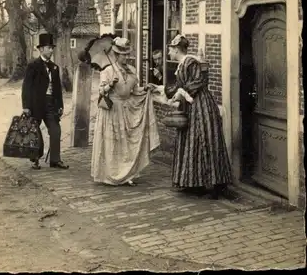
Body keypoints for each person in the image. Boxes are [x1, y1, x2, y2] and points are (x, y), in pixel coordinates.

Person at [164, 34, 232, 199]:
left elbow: (197, 81)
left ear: (176, 49)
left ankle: (218, 185)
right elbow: (180, 86)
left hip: (202, 106)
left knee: (207, 141)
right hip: (191, 107)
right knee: (192, 143)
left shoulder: (190, 62)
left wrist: (181, 93)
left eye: (170, 50)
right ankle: (196, 183)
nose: (168, 53)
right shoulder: (182, 65)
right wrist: (166, 90)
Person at [91, 37, 160, 186]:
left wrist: (145, 88)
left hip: (126, 110)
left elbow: (134, 91)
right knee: (113, 143)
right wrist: (111, 84)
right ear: (116, 55)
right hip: (111, 111)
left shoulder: (132, 71)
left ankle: (127, 173)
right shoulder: (108, 71)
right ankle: (111, 174)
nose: (126, 57)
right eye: (124, 55)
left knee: (126, 143)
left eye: (128, 54)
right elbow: (101, 91)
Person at [22, 33, 69, 170]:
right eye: (49, 47)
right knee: (34, 132)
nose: (51, 50)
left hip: (51, 105)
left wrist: (60, 105)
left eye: (51, 47)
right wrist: (26, 106)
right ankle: (35, 159)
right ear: (41, 49)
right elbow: (26, 87)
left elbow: (58, 89)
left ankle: (55, 160)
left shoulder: (55, 67)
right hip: (36, 104)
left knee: (55, 130)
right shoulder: (33, 65)